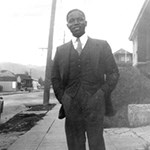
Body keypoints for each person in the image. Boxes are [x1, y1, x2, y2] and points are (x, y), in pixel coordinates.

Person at [51, 9, 119, 150]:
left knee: (97, 144)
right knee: (75, 144)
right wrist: (64, 98)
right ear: (67, 25)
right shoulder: (61, 50)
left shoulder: (101, 45)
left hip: (95, 103)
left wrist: (101, 93)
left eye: (79, 19)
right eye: (71, 20)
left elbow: (113, 73)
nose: (76, 23)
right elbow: (55, 78)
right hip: (71, 104)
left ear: (85, 22)